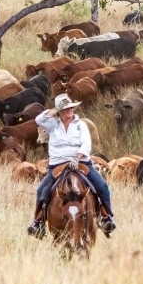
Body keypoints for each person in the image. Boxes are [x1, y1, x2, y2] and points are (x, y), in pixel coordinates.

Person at [28, 94, 115, 238]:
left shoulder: (81, 125)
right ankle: (38, 222)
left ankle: (107, 218)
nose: (70, 111)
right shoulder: (52, 125)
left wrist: (77, 157)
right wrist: (55, 110)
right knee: (41, 191)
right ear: (59, 111)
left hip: (81, 163)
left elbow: (86, 144)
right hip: (57, 165)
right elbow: (39, 119)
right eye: (66, 109)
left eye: (71, 108)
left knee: (102, 186)